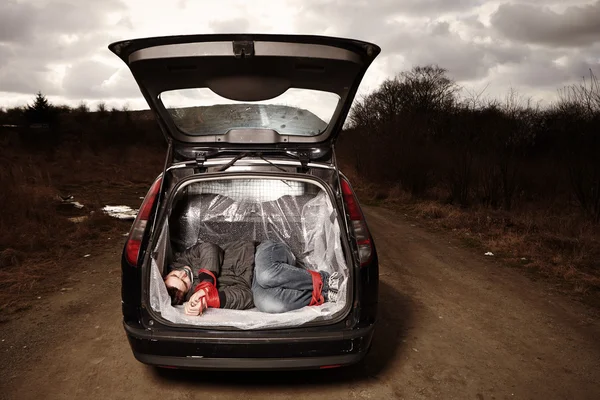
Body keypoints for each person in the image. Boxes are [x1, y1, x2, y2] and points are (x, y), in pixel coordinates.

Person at [163, 241, 256, 315]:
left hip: (252, 255)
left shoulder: (183, 259)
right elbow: (248, 297)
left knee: (266, 277)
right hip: (255, 285)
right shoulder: (196, 298)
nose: (182, 274)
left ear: (166, 276)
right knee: (266, 304)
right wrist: (211, 299)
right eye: (184, 282)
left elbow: (209, 247)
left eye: (175, 275)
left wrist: (206, 284)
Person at [252, 240, 340, 313]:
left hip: (257, 254)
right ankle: (324, 295)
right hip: (251, 284)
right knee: (272, 304)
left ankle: (326, 281)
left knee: (266, 275)